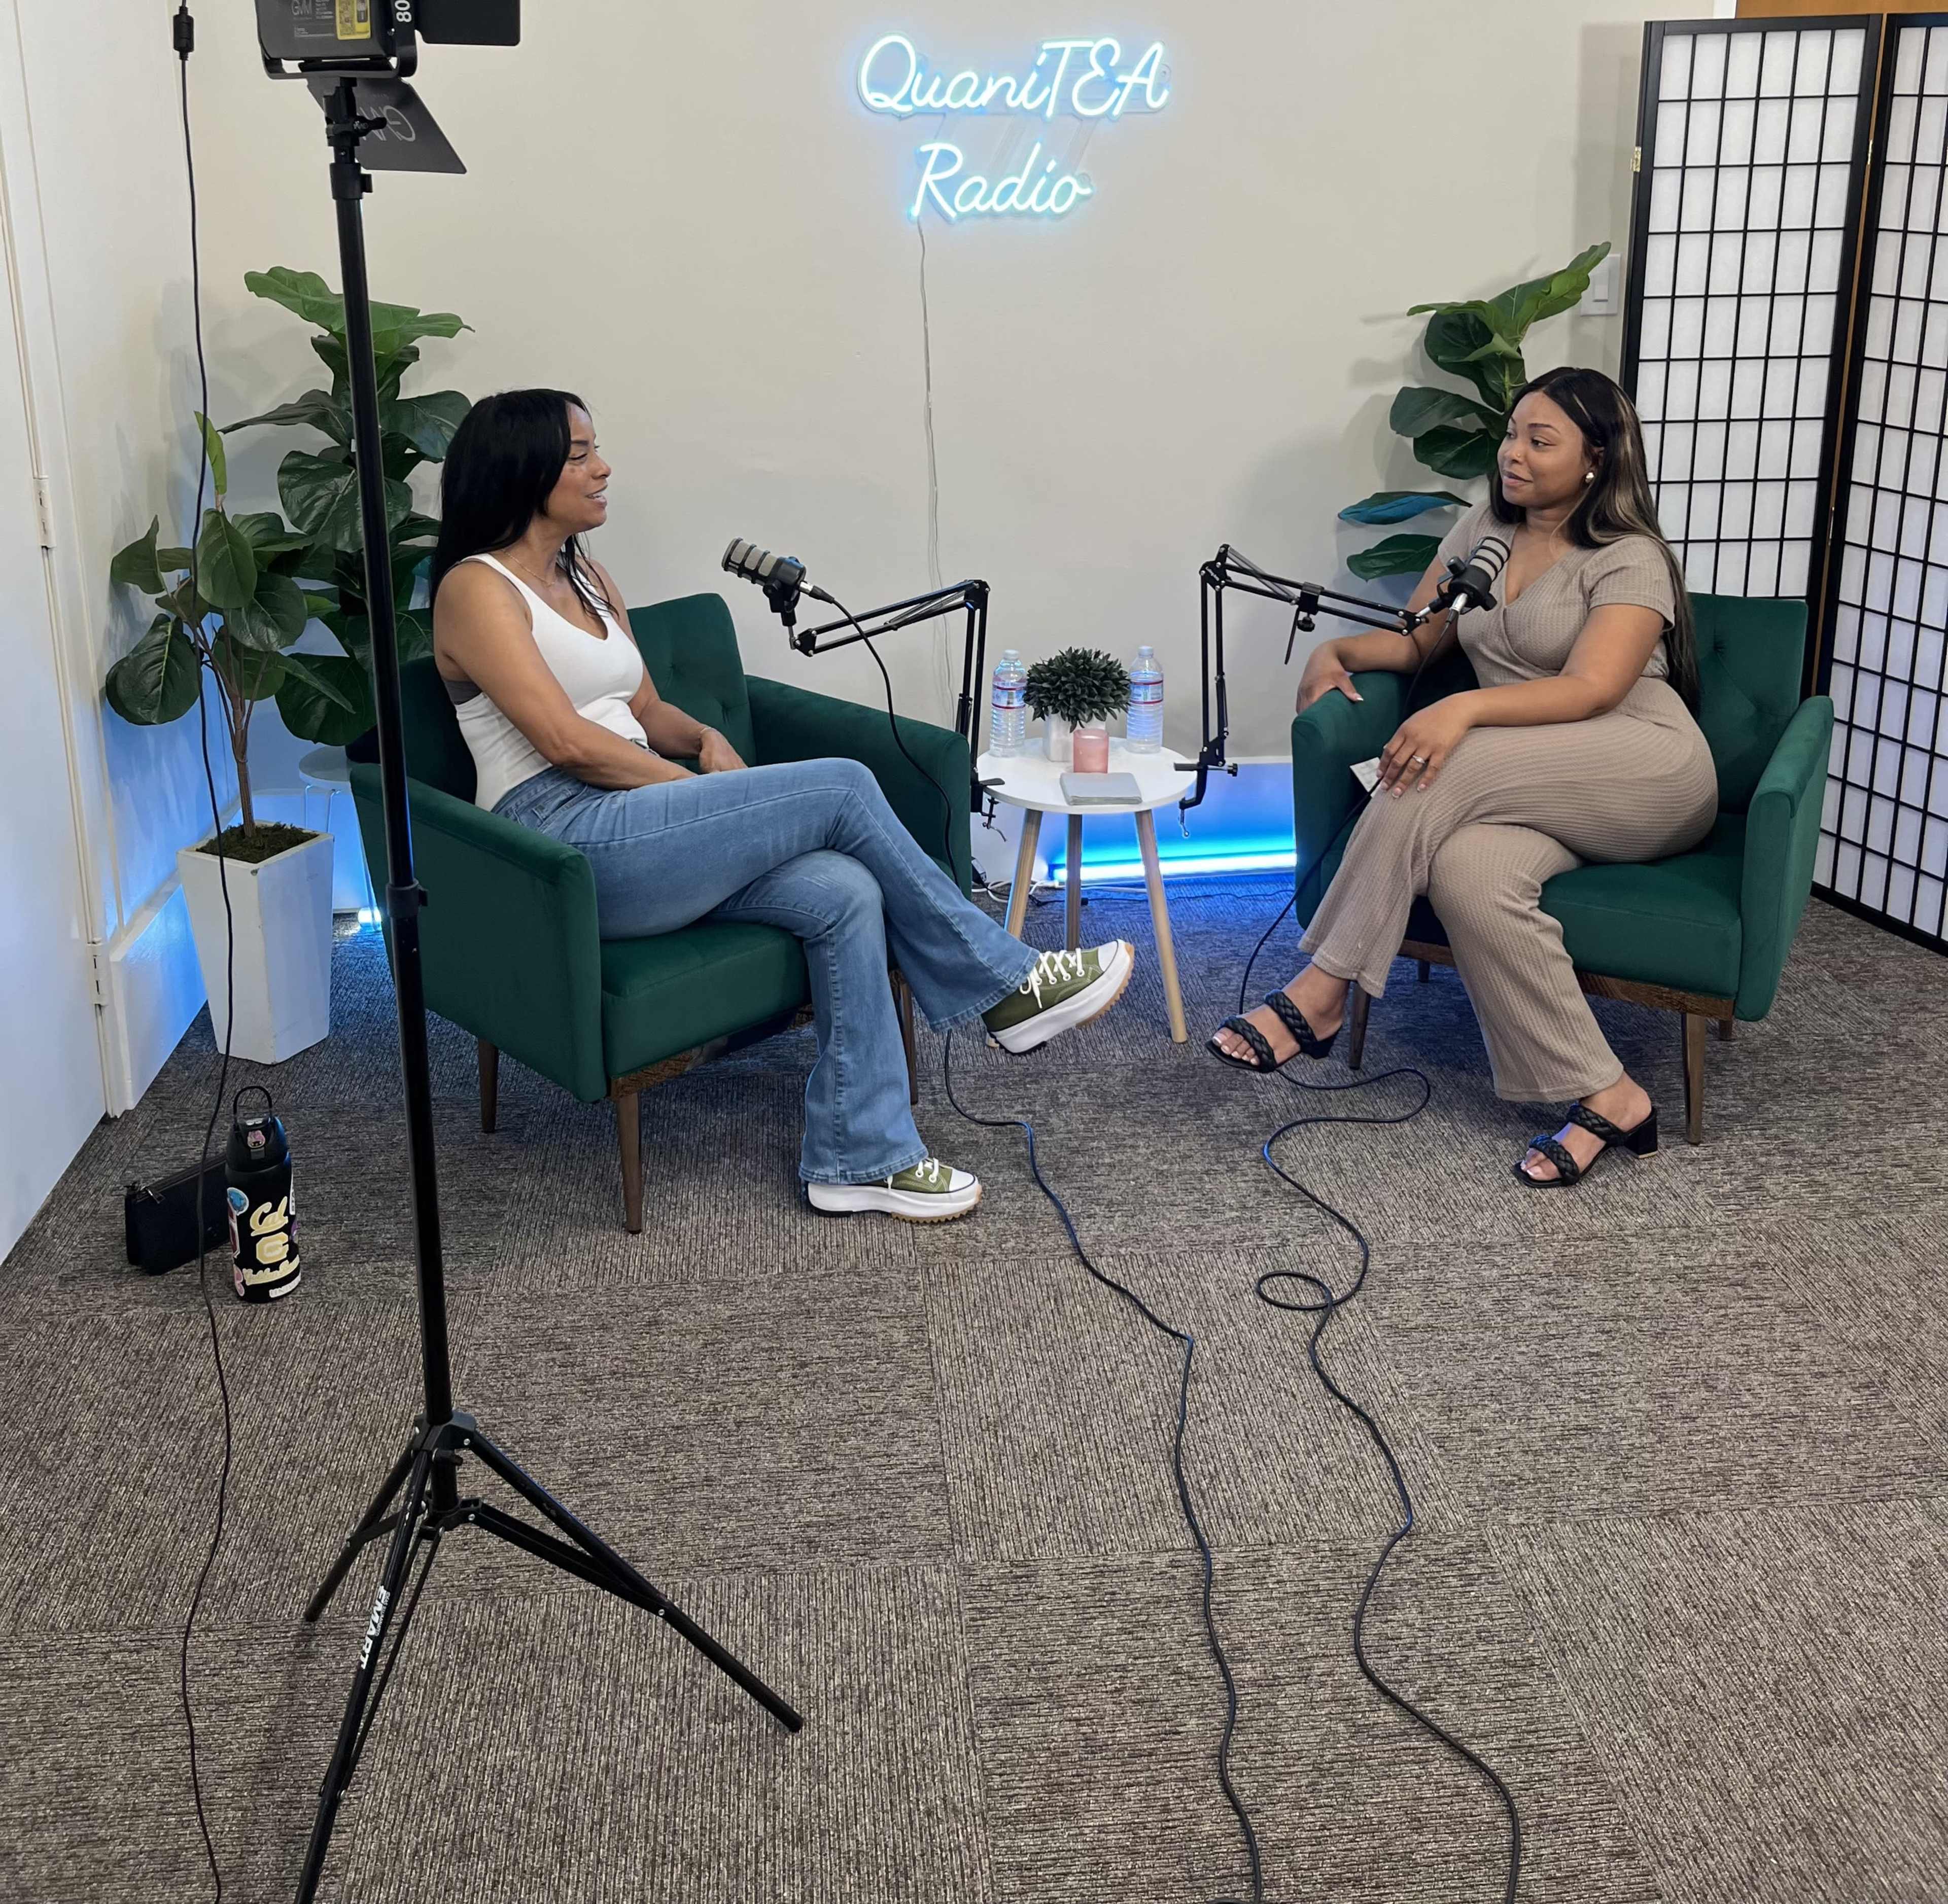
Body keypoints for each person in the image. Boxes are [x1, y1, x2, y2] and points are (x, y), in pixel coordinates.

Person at [429, 389, 1133, 1221]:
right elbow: (566, 742)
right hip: (563, 842)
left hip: (640, 823)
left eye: (596, 447)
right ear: (522, 468)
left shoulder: (585, 574)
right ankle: (1007, 985)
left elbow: (644, 708)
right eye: (580, 453)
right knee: (838, 785)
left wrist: (701, 741)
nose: (603, 466)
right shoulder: (477, 590)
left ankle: (859, 1154)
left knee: (843, 888)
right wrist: (701, 794)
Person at [1208, 367, 1716, 1188]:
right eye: (1512, 434)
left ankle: (1324, 989)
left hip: (1643, 763)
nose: (1513, 453)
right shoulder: (1484, 529)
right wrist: (1338, 649)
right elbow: (1419, 641)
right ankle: (1610, 1093)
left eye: (1539, 441)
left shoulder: (1629, 556)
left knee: (1444, 754)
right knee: (1468, 872)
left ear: (1597, 458)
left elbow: (1594, 688)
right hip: (1536, 772)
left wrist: (1465, 713)